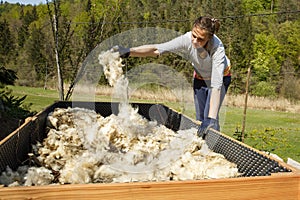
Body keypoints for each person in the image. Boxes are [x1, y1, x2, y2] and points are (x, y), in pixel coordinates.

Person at [112, 16, 231, 139]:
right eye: (194, 36)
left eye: (200, 39)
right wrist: (128, 51)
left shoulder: (218, 49)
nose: (195, 41)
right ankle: (200, 144)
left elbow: (216, 86)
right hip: (200, 78)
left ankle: (214, 145)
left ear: (209, 38)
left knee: (210, 119)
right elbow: (157, 49)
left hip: (220, 79)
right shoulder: (187, 39)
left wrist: (211, 119)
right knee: (200, 120)